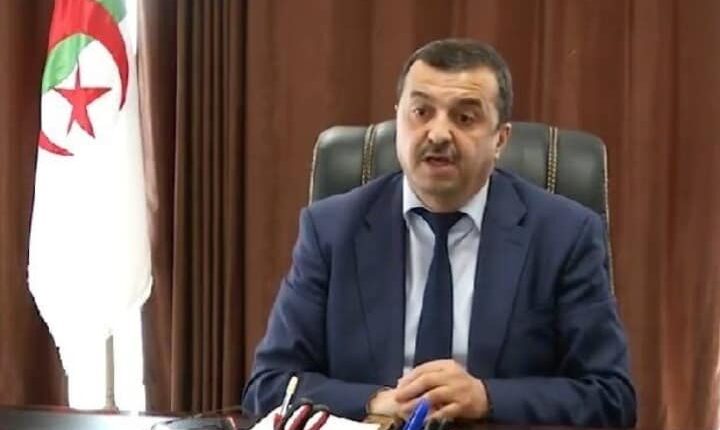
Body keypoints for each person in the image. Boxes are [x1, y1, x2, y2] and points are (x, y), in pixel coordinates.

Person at [242, 38, 636, 427]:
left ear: (500, 139)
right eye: (421, 112)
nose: (438, 133)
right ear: (398, 120)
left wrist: (487, 397)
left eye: (464, 118)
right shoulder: (331, 230)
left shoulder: (564, 235)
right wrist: (376, 402)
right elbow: (270, 385)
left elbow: (610, 396)